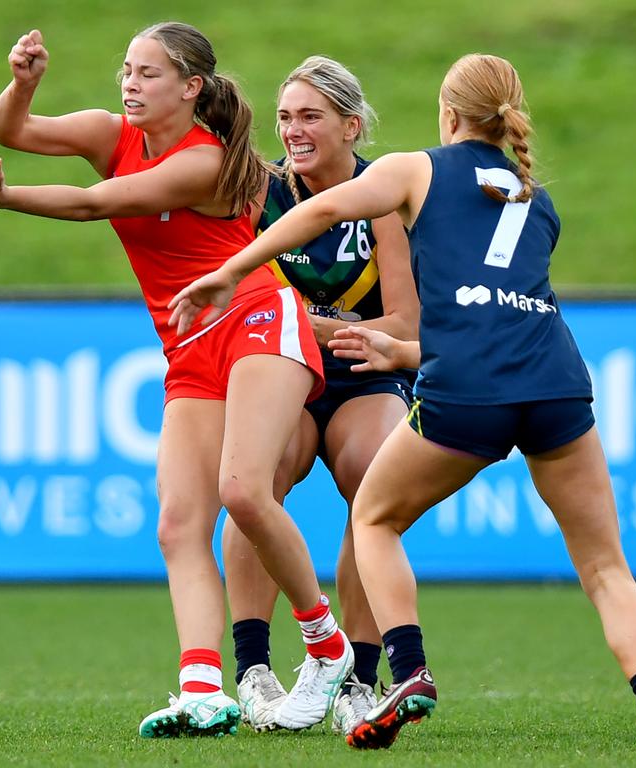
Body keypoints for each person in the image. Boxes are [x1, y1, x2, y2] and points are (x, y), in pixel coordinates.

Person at [168, 53, 636, 751]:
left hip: (465, 388)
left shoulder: (414, 170)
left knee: (375, 517)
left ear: (447, 114)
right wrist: (406, 350)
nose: (293, 129)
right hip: (556, 381)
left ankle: (403, 672)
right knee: (604, 566)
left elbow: (329, 211)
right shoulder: (538, 198)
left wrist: (230, 270)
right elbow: (494, 309)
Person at [0, 22, 354, 739]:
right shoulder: (109, 131)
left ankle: (327, 644)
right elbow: (13, 129)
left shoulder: (205, 160)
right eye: (126, 70)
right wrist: (24, 82)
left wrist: (5, 201)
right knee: (177, 522)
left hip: (255, 318)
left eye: (148, 73)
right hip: (189, 344)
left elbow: (99, 204)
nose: (130, 84)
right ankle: (202, 690)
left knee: (243, 491)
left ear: (191, 88)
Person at [223, 56, 419, 735]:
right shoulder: (263, 191)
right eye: (284, 117)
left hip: (368, 375)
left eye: (310, 117)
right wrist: (327, 330)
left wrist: (316, 324)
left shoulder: (383, 192)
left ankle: (359, 678)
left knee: (374, 481)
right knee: (258, 477)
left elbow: (405, 326)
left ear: (351, 125)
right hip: (286, 367)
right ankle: (253, 670)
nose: (293, 131)